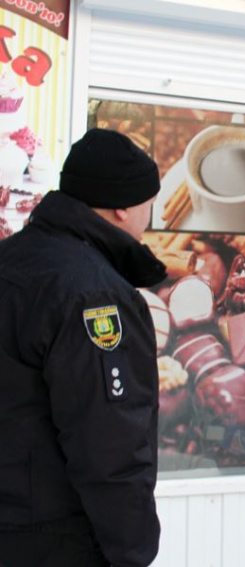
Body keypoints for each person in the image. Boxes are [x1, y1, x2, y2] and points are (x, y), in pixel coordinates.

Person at [0, 129, 167, 566]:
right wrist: (133, 551)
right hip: (55, 540)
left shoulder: (12, 260)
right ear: (123, 207)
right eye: (150, 201)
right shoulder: (92, 295)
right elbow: (109, 442)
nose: (152, 213)